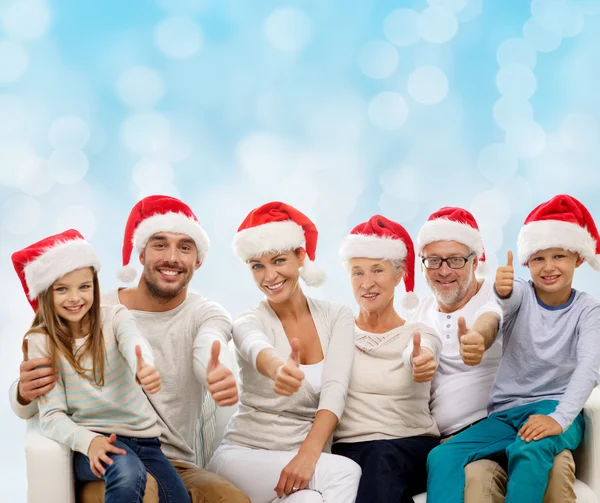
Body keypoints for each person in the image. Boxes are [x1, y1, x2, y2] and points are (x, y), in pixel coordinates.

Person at [10, 196, 250, 503]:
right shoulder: (88, 309)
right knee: (141, 489)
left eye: (185, 247)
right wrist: (23, 392)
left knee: (232, 499)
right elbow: (31, 406)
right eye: (160, 244)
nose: (172, 258)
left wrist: (213, 371)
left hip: (172, 463)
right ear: (141, 253)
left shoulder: (205, 314)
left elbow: (208, 343)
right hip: (105, 457)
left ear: (198, 260)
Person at [426, 194, 600, 503]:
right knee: (442, 456)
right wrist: (500, 293)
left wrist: (559, 419)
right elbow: (500, 305)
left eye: (558, 256)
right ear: (527, 263)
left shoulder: (589, 310)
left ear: (579, 258)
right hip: (506, 415)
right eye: (538, 258)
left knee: (529, 448)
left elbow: (589, 367)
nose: (548, 267)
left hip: (556, 409)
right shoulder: (520, 290)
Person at [11, 229, 190, 503]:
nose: (75, 298)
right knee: (127, 473)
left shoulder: (115, 317)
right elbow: (51, 416)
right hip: (92, 440)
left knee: (178, 498)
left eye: (84, 286)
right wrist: (89, 442)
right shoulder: (42, 341)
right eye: (62, 289)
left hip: (146, 442)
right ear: (46, 294)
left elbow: (133, 341)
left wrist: (142, 363)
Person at [207, 201, 362, 503]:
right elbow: (256, 347)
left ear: (300, 256)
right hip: (243, 458)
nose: (269, 276)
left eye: (279, 261)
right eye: (257, 266)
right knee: (345, 473)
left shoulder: (337, 316)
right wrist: (278, 368)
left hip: (299, 462)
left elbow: (335, 390)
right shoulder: (249, 321)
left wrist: (307, 455)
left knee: (309, 501)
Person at [332, 215, 441, 503]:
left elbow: (421, 352)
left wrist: (420, 360)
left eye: (377, 270)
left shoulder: (419, 333)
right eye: (358, 272)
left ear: (399, 274)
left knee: (381, 459)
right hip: (350, 448)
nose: (367, 283)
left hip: (410, 446)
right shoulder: (336, 336)